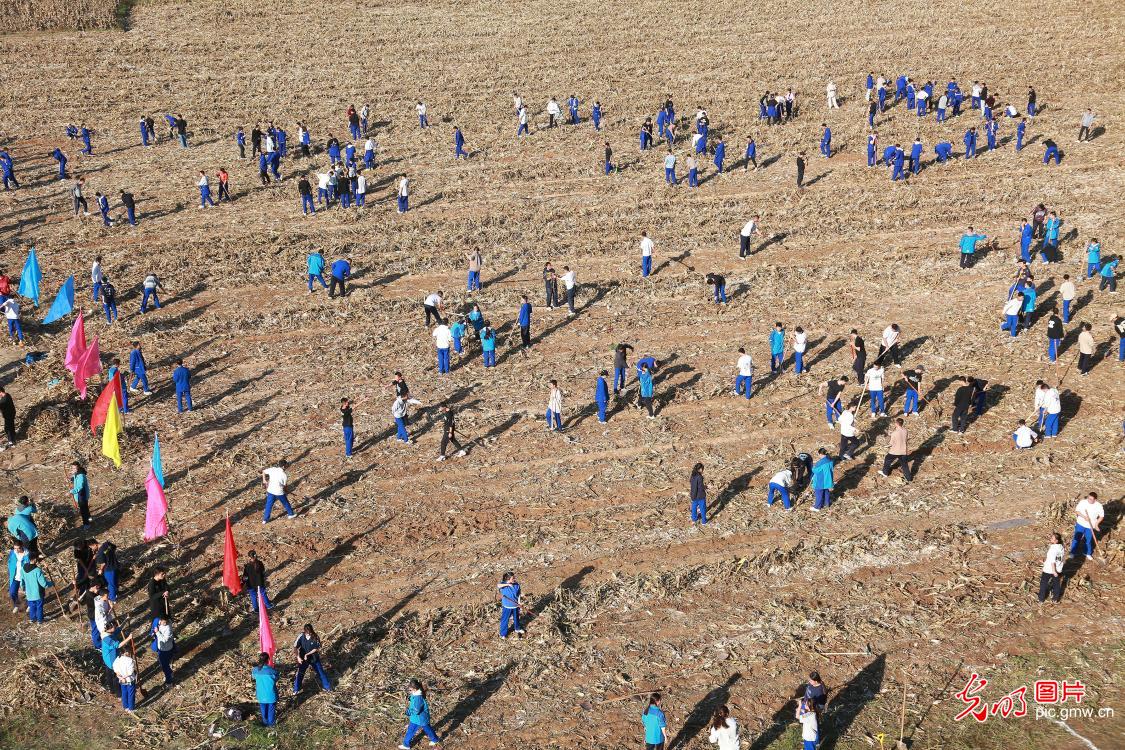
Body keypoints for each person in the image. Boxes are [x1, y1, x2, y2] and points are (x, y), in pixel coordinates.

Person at [401, 679, 441, 747]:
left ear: (415, 689)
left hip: (419, 718)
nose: (409, 691)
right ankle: (435, 739)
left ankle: (406, 745)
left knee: (413, 730)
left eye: (410, 690)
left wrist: (408, 712)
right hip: (419, 718)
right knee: (426, 729)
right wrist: (410, 698)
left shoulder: (418, 698)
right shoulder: (416, 694)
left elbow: (416, 710)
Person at [293, 623, 331, 693]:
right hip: (303, 658)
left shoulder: (315, 637)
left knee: (320, 672)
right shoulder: (301, 636)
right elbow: (295, 647)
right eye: (307, 633)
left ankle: (327, 687)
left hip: (313, 658)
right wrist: (298, 657)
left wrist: (307, 654)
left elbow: (316, 648)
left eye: (310, 633)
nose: (308, 634)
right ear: (304, 631)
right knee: (300, 673)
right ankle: (296, 689)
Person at [1070, 492, 1103, 560]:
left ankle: (1087, 553)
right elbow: (1077, 511)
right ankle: (1073, 552)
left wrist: (1096, 524)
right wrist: (1084, 517)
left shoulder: (1099, 506)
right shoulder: (1083, 502)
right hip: (1080, 523)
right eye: (1088, 498)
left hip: (1090, 526)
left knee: (1088, 540)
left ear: (1095, 500)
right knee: (1077, 538)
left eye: (1091, 499)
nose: (1089, 500)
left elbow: (1101, 516)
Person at [21, 554, 51, 624]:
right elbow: (44, 584)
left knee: (32, 606)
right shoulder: (37, 570)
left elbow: (22, 581)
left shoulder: (23, 568)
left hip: (29, 593)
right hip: (38, 593)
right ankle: (40, 620)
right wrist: (51, 583)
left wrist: (24, 588)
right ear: (35, 559)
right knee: (39, 607)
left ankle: (32, 619)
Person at [252, 653, 279, 726]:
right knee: (271, 710)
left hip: (261, 694)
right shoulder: (273, 671)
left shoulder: (255, 670)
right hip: (271, 694)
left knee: (263, 709)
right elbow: (276, 678)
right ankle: (271, 725)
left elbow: (253, 677)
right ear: (268, 660)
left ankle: (265, 722)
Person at [1038, 533, 1065, 603]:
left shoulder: (1053, 549)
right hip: (1058, 569)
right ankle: (1055, 599)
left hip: (1049, 570)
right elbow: (1057, 559)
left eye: (1052, 538)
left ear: (1056, 541)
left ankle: (1041, 599)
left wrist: (1054, 571)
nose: (1050, 539)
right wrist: (1045, 561)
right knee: (1056, 584)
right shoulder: (1061, 547)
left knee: (1043, 584)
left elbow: (1053, 561)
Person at [496, 571, 524, 638]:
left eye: (514, 577)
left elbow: (519, 594)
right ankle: (503, 634)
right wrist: (507, 584)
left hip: (516, 605)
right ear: (508, 579)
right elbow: (498, 585)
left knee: (516, 618)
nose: (514, 579)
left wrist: (519, 602)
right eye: (513, 578)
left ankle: (517, 628)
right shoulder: (503, 584)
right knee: (505, 620)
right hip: (507, 606)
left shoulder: (516, 584)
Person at [113, 647, 137, 711]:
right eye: (129, 652)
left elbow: (115, 668)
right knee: (131, 694)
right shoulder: (130, 660)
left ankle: (125, 706)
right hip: (129, 680)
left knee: (124, 692)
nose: (129, 653)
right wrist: (124, 677)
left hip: (121, 680)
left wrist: (120, 677)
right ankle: (131, 708)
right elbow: (130, 672)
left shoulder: (117, 659)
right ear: (126, 652)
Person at [153, 617, 175, 684]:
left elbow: (165, 640)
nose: (165, 623)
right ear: (160, 620)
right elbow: (154, 625)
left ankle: (169, 681)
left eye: (166, 622)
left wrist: (157, 632)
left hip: (166, 650)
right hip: (161, 648)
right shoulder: (157, 621)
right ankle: (170, 673)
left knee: (164, 666)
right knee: (164, 664)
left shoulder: (168, 628)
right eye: (163, 622)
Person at [7, 540, 27, 614]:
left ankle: (30, 605)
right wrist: (10, 570)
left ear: (22, 547)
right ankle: (17, 604)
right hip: (15, 576)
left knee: (28, 591)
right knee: (12, 592)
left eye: (18, 548)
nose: (16, 550)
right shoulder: (12, 552)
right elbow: (9, 562)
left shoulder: (27, 554)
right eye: (15, 548)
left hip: (24, 577)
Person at [71, 463, 92, 527]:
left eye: (74, 468)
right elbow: (76, 481)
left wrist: (73, 491)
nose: (73, 469)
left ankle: (86, 524)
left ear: (78, 468)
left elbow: (80, 486)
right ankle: (90, 520)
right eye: (72, 468)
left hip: (82, 495)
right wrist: (73, 478)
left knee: (83, 510)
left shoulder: (81, 476)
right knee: (86, 509)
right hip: (80, 495)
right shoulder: (77, 474)